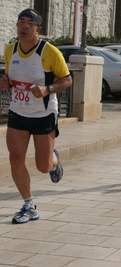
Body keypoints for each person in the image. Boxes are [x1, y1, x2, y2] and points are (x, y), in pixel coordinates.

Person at [0, 9, 72, 224]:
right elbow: (10, 77)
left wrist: (48, 88)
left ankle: (54, 160)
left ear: (38, 29)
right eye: (20, 21)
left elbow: (67, 80)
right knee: (15, 158)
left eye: (29, 23)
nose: (24, 26)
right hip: (18, 112)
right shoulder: (10, 50)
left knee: (43, 166)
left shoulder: (49, 52)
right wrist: (5, 81)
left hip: (43, 113)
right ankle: (29, 205)